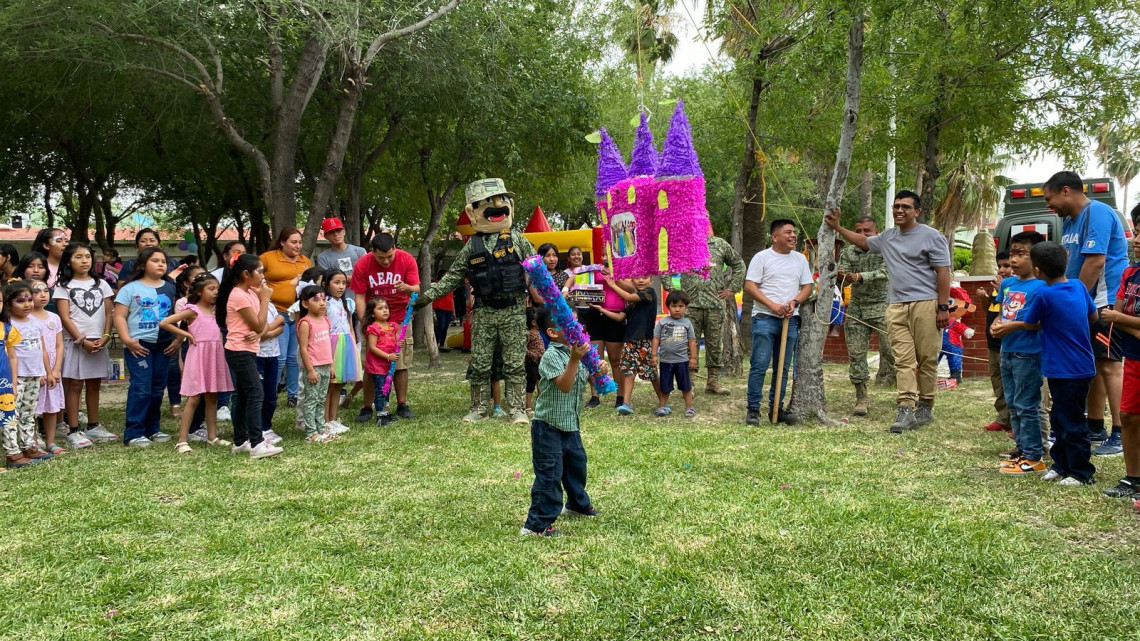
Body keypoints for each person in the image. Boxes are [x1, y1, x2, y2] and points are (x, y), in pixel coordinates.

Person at [825, 191, 952, 432]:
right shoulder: (888, 237)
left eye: (905, 206)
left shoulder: (932, 236)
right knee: (903, 360)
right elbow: (863, 242)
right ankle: (905, 408)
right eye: (896, 206)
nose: (899, 210)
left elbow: (943, 273)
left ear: (917, 211)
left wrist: (943, 307)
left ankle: (926, 405)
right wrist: (838, 227)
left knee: (926, 358)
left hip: (926, 303)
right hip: (895, 306)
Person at [1046, 170, 1128, 450]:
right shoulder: (1070, 221)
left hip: (1105, 302)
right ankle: (1095, 426)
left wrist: (1074, 301)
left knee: (1109, 365)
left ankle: (1120, 433)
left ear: (1066, 191)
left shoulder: (1097, 213)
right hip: (1087, 303)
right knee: (1094, 365)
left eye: (1050, 198)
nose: (1049, 205)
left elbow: (1095, 261)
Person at [1004, 241, 1097, 486]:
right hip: (1081, 365)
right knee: (1060, 417)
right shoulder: (1078, 286)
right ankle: (1061, 464)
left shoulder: (1043, 294)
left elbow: (1030, 323)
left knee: (1072, 421)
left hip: (1065, 368)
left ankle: (1081, 472)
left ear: (1037, 270)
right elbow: (1094, 315)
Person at [519, 307, 600, 537]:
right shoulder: (551, 356)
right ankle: (536, 525)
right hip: (548, 426)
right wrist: (574, 359)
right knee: (550, 474)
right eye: (569, 324)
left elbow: (588, 377)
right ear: (553, 333)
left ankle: (576, 504)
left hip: (570, 423)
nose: (577, 328)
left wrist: (599, 370)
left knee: (576, 467)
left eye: (577, 322)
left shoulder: (579, 352)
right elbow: (564, 386)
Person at [743, 219, 814, 426]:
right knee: (759, 365)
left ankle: (777, 408)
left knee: (782, 367)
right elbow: (749, 285)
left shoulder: (800, 259)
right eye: (788, 232)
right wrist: (773, 305)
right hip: (764, 318)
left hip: (789, 320)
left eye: (794, 232)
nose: (793, 236)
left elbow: (807, 287)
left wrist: (795, 302)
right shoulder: (762, 257)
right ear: (775, 237)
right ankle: (753, 410)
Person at [990, 231, 1048, 474]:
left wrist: (1011, 326)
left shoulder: (1042, 286)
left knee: (1027, 405)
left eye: (1021, 254)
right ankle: (1022, 450)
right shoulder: (1007, 284)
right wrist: (998, 324)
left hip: (1029, 352)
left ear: (1036, 258)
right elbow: (1003, 313)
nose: (1013, 259)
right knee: (1013, 403)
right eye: (1012, 253)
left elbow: (1041, 322)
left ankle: (1034, 456)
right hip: (1007, 350)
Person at [662, 233, 745, 395]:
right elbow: (664, 264)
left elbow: (738, 264)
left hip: (715, 304)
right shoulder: (683, 244)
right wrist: (670, 288)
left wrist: (732, 288)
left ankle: (713, 382)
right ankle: (689, 383)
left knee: (715, 344)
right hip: (690, 305)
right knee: (687, 344)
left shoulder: (720, 244)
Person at [159, 273, 233, 453]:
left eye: (217, 289)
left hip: (214, 355)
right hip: (198, 356)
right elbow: (165, 322)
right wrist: (186, 335)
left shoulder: (216, 311)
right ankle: (182, 440)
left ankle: (212, 437)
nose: (215, 292)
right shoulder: (193, 310)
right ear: (199, 291)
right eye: (211, 289)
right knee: (194, 398)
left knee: (212, 396)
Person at [350, 232, 420, 422]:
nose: (386, 261)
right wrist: (365, 322)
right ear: (373, 252)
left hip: (400, 319)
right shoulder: (363, 264)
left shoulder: (406, 259)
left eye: (390, 256)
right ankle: (367, 407)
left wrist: (406, 287)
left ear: (395, 248)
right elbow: (359, 296)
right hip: (374, 321)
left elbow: (416, 289)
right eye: (381, 258)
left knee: (400, 363)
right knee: (371, 365)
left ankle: (402, 404)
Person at [218, 253, 282, 459]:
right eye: (260, 271)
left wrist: (260, 329)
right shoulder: (238, 295)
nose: (263, 276)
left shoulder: (250, 293)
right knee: (256, 393)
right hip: (239, 351)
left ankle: (239, 441)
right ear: (246, 274)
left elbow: (260, 328)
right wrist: (265, 299)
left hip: (248, 349)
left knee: (245, 395)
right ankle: (257, 443)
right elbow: (259, 324)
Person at [54, 243, 116, 447]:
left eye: (87, 256)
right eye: (78, 257)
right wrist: (82, 341)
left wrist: (105, 336)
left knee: (94, 383)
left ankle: (93, 425)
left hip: (98, 342)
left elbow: (109, 313)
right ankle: (73, 429)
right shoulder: (63, 286)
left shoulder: (102, 284)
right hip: (75, 342)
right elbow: (64, 317)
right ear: (68, 261)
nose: (84, 261)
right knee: (74, 384)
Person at [114, 247, 177, 447]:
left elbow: (178, 316)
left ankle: (153, 429)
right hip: (138, 345)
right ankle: (133, 432)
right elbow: (119, 316)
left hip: (164, 345)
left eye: (163, 261)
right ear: (143, 264)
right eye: (155, 260)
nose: (161, 264)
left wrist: (177, 340)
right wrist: (127, 340)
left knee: (157, 388)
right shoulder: (129, 288)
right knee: (141, 388)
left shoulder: (170, 288)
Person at [836, 216, 895, 415]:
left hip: (883, 307)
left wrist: (860, 276)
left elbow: (887, 273)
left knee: (893, 352)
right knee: (856, 354)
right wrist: (842, 277)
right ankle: (861, 397)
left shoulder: (885, 249)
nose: (862, 235)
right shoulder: (848, 252)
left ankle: (909, 394)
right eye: (858, 231)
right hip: (857, 309)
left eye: (867, 231)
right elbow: (844, 281)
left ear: (876, 232)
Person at [1100, 235, 1140, 499]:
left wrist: (1120, 318)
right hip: (1134, 355)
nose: (1136, 240)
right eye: (1136, 232)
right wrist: (1134, 328)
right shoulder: (1130, 273)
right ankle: (1133, 479)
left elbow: (1117, 315)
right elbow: (1112, 315)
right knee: (1128, 416)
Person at [260, 226, 312, 408]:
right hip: (277, 313)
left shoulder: (305, 261)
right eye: (293, 242)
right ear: (282, 242)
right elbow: (255, 275)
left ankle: (293, 394)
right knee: (280, 356)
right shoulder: (268, 257)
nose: (298, 246)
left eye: (300, 242)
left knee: (293, 357)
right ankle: (270, 393)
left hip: (297, 314)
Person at [596, 275, 660, 416]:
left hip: (644, 340)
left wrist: (613, 285)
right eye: (637, 278)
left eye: (645, 278)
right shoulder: (631, 301)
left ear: (651, 281)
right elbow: (620, 317)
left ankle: (663, 402)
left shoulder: (649, 292)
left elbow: (629, 296)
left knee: (652, 374)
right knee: (629, 372)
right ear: (632, 281)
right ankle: (626, 404)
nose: (641, 280)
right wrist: (601, 309)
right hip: (629, 340)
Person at [7, 281, 53, 463]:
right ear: (9, 303)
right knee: (13, 414)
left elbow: (42, 349)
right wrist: (11, 381)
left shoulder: (36, 323)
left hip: (34, 375)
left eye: (29, 300)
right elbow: (10, 355)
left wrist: (47, 372)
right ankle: (13, 451)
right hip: (17, 376)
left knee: (29, 412)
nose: (27, 304)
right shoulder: (8, 325)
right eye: (20, 301)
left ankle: (29, 446)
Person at [978, 251, 1013, 433]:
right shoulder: (997, 287)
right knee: (997, 382)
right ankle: (1003, 418)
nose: (1001, 270)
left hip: (1008, 345)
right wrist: (984, 298)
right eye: (999, 266)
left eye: (1007, 266)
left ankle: (1017, 422)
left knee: (1012, 384)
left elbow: (1012, 310)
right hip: (993, 344)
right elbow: (989, 310)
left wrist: (1002, 290)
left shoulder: (1014, 288)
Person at [29, 279, 65, 455]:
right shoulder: (26, 319)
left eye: (45, 290)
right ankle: (34, 442)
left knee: (51, 406)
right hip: (34, 369)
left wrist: (56, 369)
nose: (42, 295)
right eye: (36, 291)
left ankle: (51, 441)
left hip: (52, 368)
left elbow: (59, 345)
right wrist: (41, 371)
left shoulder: (54, 317)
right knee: (32, 407)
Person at [297, 285, 336, 443]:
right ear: (305, 303)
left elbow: (328, 345)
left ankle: (321, 428)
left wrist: (331, 365)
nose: (321, 303)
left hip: (325, 366)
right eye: (316, 300)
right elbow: (303, 349)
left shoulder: (325, 320)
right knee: (311, 400)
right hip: (313, 367)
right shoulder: (306, 323)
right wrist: (310, 370)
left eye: (324, 299)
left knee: (321, 399)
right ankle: (311, 432)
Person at [652, 290, 698, 418]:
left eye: (681, 306)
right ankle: (662, 407)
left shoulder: (687, 323)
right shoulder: (662, 322)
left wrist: (693, 358)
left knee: (686, 386)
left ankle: (689, 407)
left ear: (686, 307)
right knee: (665, 386)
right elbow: (656, 339)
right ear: (668, 307)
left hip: (682, 361)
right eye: (674, 306)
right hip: (665, 361)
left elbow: (692, 341)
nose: (677, 309)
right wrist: (654, 355)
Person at [323, 269, 358, 434]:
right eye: (336, 283)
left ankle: (333, 418)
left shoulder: (347, 303)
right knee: (329, 385)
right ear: (326, 284)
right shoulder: (324, 303)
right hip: (330, 344)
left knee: (338, 384)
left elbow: (350, 326)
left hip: (346, 343)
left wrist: (353, 344)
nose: (341, 286)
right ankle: (325, 421)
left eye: (344, 283)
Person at [0, 298, 28, 468]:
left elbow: (12, 357)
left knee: (8, 418)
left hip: (4, 383)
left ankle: (13, 454)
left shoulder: (6, 328)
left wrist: (14, 383)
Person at [364, 297, 399, 426]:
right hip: (377, 365)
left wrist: (398, 344)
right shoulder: (373, 328)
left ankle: (386, 411)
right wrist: (388, 356)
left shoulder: (392, 326)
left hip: (388, 365)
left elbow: (394, 342)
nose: (385, 310)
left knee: (387, 388)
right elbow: (372, 347)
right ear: (372, 314)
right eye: (380, 308)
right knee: (381, 390)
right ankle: (380, 415)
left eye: (386, 308)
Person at [115, 228, 181, 289]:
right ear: (137, 246)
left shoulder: (173, 263)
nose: (148, 244)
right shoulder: (130, 264)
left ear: (159, 245)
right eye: (143, 241)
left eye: (152, 240)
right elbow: (122, 289)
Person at [524, 307, 544, 411]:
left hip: (540, 362)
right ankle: (527, 406)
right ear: (533, 322)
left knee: (540, 381)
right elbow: (523, 348)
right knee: (531, 382)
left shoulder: (538, 332)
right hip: (532, 362)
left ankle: (541, 402)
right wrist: (533, 355)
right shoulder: (529, 334)